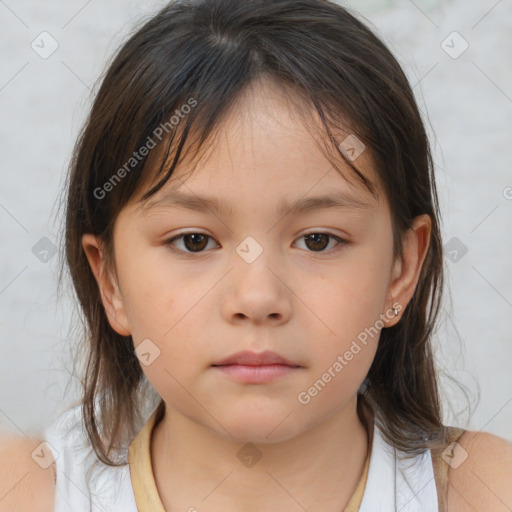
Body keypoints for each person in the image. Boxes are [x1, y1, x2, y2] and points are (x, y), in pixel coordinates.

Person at [1, 0, 511, 511]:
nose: (258, 298)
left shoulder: (483, 492)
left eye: (318, 240)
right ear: (109, 279)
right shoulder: (27, 493)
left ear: (401, 271)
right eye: (193, 241)